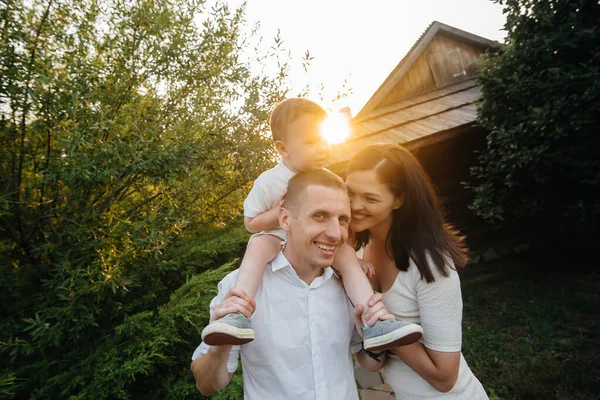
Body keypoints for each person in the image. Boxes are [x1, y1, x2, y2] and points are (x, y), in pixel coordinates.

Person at [201, 98, 422, 351]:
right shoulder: (269, 182)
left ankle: (375, 321)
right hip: (276, 237)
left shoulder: (327, 178)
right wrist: (280, 212)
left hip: (313, 240)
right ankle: (237, 311)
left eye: (324, 140)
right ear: (283, 149)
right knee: (257, 245)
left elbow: (336, 220)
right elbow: (251, 223)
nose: (322, 149)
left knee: (348, 255)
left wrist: (350, 255)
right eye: (311, 142)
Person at [191, 169, 396, 399]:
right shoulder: (238, 289)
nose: (336, 233)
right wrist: (219, 351)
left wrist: (374, 345)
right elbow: (206, 385)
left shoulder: (353, 286)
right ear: (285, 219)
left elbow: (370, 365)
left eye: (342, 220)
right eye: (319, 215)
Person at [345, 144, 488, 399]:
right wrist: (373, 339)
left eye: (370, 198)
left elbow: (445, 378)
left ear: (399, 199)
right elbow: (371, 363)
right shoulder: (355, 256)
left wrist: (385, 327)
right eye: (350, 192)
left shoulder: (429, 264)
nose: (355, 205)